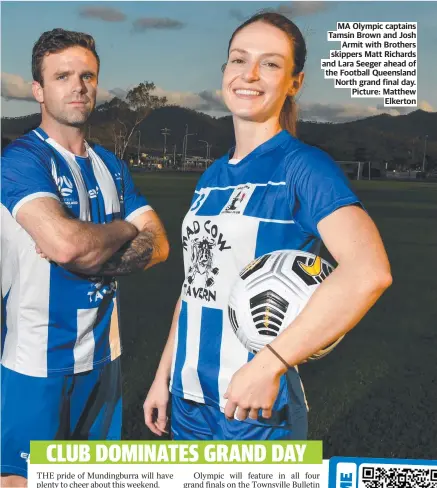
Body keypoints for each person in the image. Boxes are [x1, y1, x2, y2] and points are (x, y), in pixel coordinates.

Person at [144, 12, 392, 440]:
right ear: (225, 71)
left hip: (253, 406)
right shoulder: (212, 178)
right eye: (239, 60)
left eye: (271, 64)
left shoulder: (303, 167)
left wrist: (270, 363)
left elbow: (369, 271)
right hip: (188, 400)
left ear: (294, 81)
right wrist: (164, 375)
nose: (250, 74)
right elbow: (196, 286)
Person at [1, 28, 169, 485]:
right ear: (38, 90)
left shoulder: (111, 166)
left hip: (104, 357)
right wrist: (122, 229)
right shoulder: (21, 160)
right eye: (62, 76)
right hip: (36, 361)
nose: (78, 86)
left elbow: (159, 244)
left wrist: (92, 254)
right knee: (21, 479)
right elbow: (67, 245)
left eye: (87, 75)